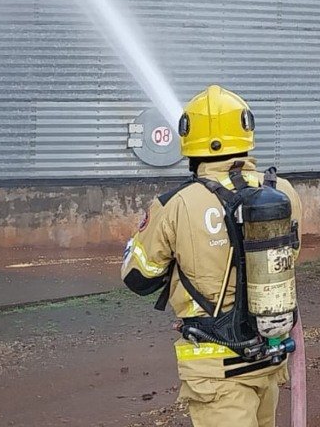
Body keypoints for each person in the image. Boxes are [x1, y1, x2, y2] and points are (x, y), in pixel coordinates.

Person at [121, 85, 303, 427]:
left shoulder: (175, 204)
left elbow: (138, 278)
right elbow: (288, 257)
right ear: (245, 132)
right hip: (270, 355)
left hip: (215, 372)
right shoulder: (282, 192)